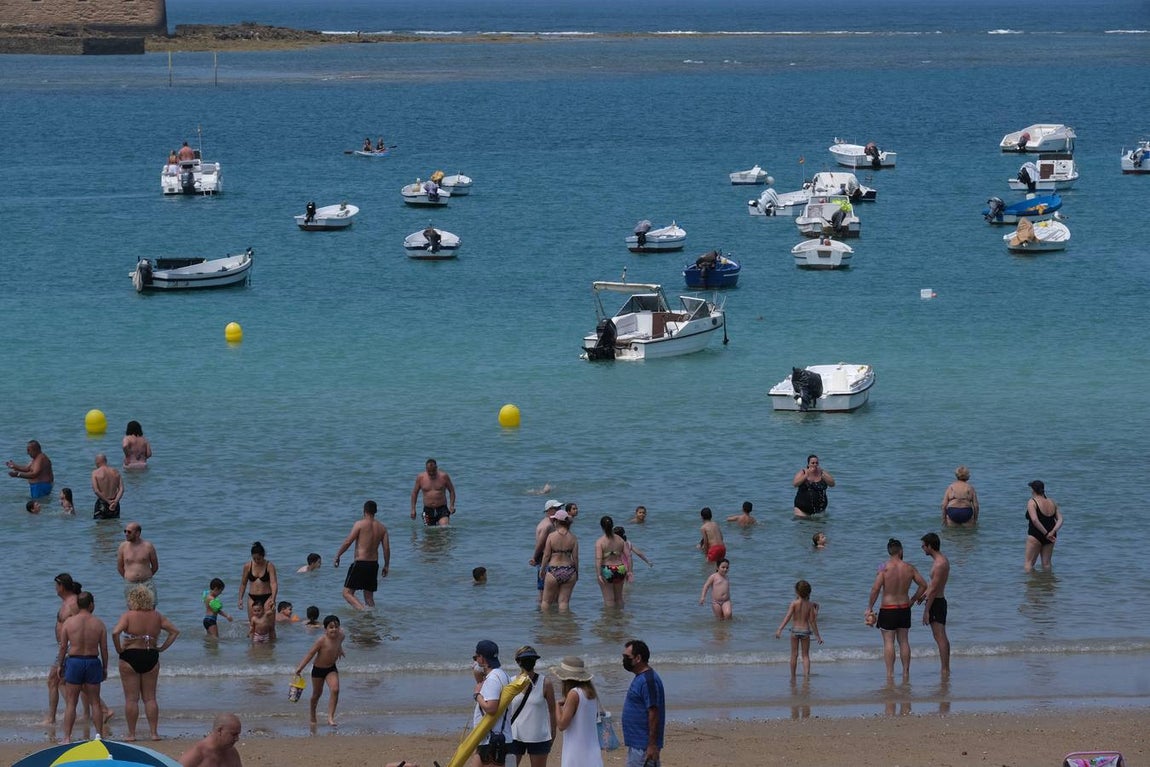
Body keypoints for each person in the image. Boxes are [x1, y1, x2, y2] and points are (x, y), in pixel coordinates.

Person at [112, 585, 180, 741]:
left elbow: (115, 632)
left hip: (130, 656)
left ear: (132, 600)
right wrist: (162, 647)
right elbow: (174, 631)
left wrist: (119, 649)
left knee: (131, 699)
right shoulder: (156, 616)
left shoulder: (128, 615)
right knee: (150, 698)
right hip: (151, 656)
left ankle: (131, 734)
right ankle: (154, 733)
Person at [866, 539, 927, 682]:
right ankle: (906, 673)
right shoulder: (909, 567)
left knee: (888, 642)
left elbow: (875, 588)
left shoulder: (883, 567)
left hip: (888, 608)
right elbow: (924, 585)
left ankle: (890, 674)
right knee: (904, 641)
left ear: (889, 552)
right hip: (904, 608)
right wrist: (912, 600)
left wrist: (869, 607)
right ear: (901, 551)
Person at [57, 591, 110, 743]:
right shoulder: (99, 624)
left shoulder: (69, 623)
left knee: (71, 702)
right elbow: (104, 649)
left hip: (74, 662)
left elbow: (62, 647)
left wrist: (59, 665)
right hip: (93, 661)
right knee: (95, 702)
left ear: (78, 605)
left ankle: (67, 737)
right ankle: (99, 736)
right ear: (91, 604)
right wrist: (105, 667)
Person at [334, 500, 390, 609]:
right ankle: (372, 618)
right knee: (369, 597)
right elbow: (386, 548)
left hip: (361, 563)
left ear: (364, 510)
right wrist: (386, 565)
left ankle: (363, 611)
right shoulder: (382, 528)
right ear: (375, 511)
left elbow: (348, 542)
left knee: (347, 593)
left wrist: (338, 555)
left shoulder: (359, 524)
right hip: (373, 564)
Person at [507, 646, 556, 767]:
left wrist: (553, 732)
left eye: (531, 659)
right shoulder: (510, 682)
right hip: (514, 735)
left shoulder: (545, 683)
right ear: (518, 661)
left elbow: (552, 711)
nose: (529, 661)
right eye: (525, 659)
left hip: (538, 735)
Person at [44, 573, 81, 726]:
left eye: (56, 585)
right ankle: (73, 712)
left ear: (62, 587)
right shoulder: (67, 602)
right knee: (60, 682)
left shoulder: (73, 603)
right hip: (64, 647)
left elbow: (82, 623)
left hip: (68, 648)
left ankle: (51, 718)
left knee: (53, 680)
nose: (55, 589)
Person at [295, 615, 345, 726]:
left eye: (336, 627)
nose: (334, 629)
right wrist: (300, 668)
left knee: (335, 689)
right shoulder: (321, 640)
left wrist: (340, 649)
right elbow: (310, 654)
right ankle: (312, 714)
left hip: (331, 668)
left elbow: (339, 643)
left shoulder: (341, 636)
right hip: (318, 670)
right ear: (325, 629)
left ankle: (330, 718)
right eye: (331, 627)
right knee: (317, 694)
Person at [553, 656, 603, 767]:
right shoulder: (591, 693)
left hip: (576, 753)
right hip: (592, 751)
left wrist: (557, 705)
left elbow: (561, 725)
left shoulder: (574, 694)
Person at [621, 639, 664, 767]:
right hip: (637, 745)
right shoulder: (641, 678)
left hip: (643, 747)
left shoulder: (648, 681)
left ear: (638, 658)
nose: (624, 660)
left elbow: (654, 712)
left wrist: (651, 744)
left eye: (627, 657)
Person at [471, 639, 511, 767]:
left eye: (476, 656)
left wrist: (477, 695)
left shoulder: (492, 679)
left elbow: (492, 708)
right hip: (498, 737)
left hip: (492, 740)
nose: (476, 660)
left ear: (482, 658)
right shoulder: (503, 674)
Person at [918, 533, 951, 677]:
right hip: (937, 600)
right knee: (939, 636)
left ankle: (945, 669)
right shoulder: (940, 560)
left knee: (940, 636)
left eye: (924, 545)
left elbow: (934, 589)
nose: (922, 548)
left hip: (937, 602)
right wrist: (922, 596)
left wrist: (926, 610)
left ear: (930, 546)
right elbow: (932, 587)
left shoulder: (940, 564)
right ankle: (945, 668)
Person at [775, 580, 822, 679]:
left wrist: (780, 629)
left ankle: (793, 676)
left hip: (795, 631)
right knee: (805, 655)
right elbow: (812, 621)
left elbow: (787, 617)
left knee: (794, 655)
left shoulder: (794, 603)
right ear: (809, 592)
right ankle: (806, 676)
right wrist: (818, 636)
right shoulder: (810, 605)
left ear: (796, 592)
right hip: (805, 631)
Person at [540, 509, 579, 611]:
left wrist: (542, 570)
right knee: (564, 602)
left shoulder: (551, 536)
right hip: (570, 570)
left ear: (557, 521)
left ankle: (546, 624)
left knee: (546, 601)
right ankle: (564, 623)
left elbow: (546, 555)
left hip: (553, 570)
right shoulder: (573, 538)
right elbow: (575, 557)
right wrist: (577, 572)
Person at [1024, 479, 1063, 572]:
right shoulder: (1052, 502)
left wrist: (1046, 534)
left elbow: (1035, 520)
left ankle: (1030, 586)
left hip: (1036, 535)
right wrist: (1052, 532)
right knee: (1047, 564)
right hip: (1051, 536)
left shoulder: (1032, 502)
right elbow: (1061, 519)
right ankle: (1048, 584)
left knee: (1029, 563)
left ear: (1033, 490)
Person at [178, 712, 243, 767]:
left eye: (238, 735)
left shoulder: (232, 753)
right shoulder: (197, 754)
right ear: (220, 731)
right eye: (233, 734)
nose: (237, 739)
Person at [118, 522, 159, 605]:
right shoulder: (123, 547)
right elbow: (120, 567)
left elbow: (155, 566)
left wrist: (145, 576)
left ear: (137, 533)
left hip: (147, 582)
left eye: (129, 532)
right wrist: (128, 577)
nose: (126, 534)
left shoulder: (148, 546)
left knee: (151, 607)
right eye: (125, 531)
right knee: (132, 610)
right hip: (130, 583)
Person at [529, 500, 564, 592]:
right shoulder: (547, 525)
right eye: (557, 508)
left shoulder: (552, 523)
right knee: (544, 591)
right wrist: (534, 558)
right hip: (544, 560)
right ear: (549, 510)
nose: (559, 510)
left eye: (560, 508)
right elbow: (540, 544)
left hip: (549, 559)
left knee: (550, 590)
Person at [595, 516, 628, 608]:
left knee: (609, 599)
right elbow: (628, 556)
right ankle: (620, 618)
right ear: (612, 525)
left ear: (602, 527)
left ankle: (609, 620)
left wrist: (598, 574)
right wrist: (629, 571)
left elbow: (598, 559)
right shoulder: (620, 540)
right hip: (620, 568)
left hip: (607, 570)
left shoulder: (600, 541)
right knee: (619, 598)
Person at [411, 458, 456, 526]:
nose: (432, 473)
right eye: (429, 471)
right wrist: (413, 509)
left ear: (436, 468)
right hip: (427, 510)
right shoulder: (421, 478)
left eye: (434, 471)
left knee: (444, 527)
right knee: (429, 533)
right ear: (426, 469)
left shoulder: (444, 476)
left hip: (442, 508)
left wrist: (451, 505)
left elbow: (452, 491)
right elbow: (414, 493)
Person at [237, 541, 277, 616]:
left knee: (268, 625)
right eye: (254, 558)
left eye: (258, 559)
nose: (256, 561)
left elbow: (273, 583)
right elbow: (243, 584)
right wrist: (240, 599)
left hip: (267, 597)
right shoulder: (248, 566)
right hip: (252, 597)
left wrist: (273, 599)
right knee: (253, 624)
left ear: (263, 555)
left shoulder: (269, 566)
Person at [91, 453, 124, 519]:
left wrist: (108, 501)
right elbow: (121, 489)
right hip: (115, 504)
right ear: (106, 461)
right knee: (114, 525)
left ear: (97, 462)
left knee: (100, 527)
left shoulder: (95, 473)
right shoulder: (116, 472)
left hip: (102, 503)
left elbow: (96, 491)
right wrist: (115, 501)